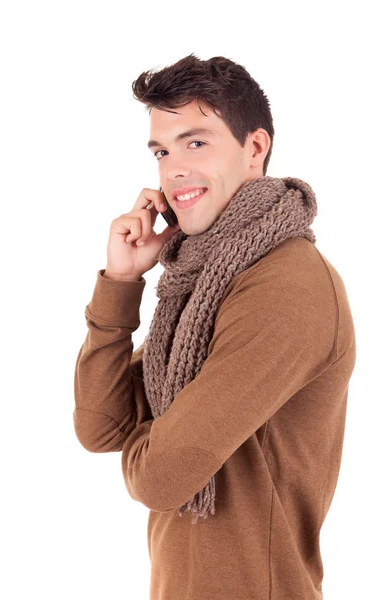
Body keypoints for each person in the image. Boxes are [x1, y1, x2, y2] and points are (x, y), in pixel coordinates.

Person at [73, 53, 356, 600]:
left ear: (255, 148)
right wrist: (120, 282)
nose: (173, 169)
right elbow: (99, 427)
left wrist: (157, 444)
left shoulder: (286, 284)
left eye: (196, 142)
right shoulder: (200, 286)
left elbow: (162, 478)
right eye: (162, 150)